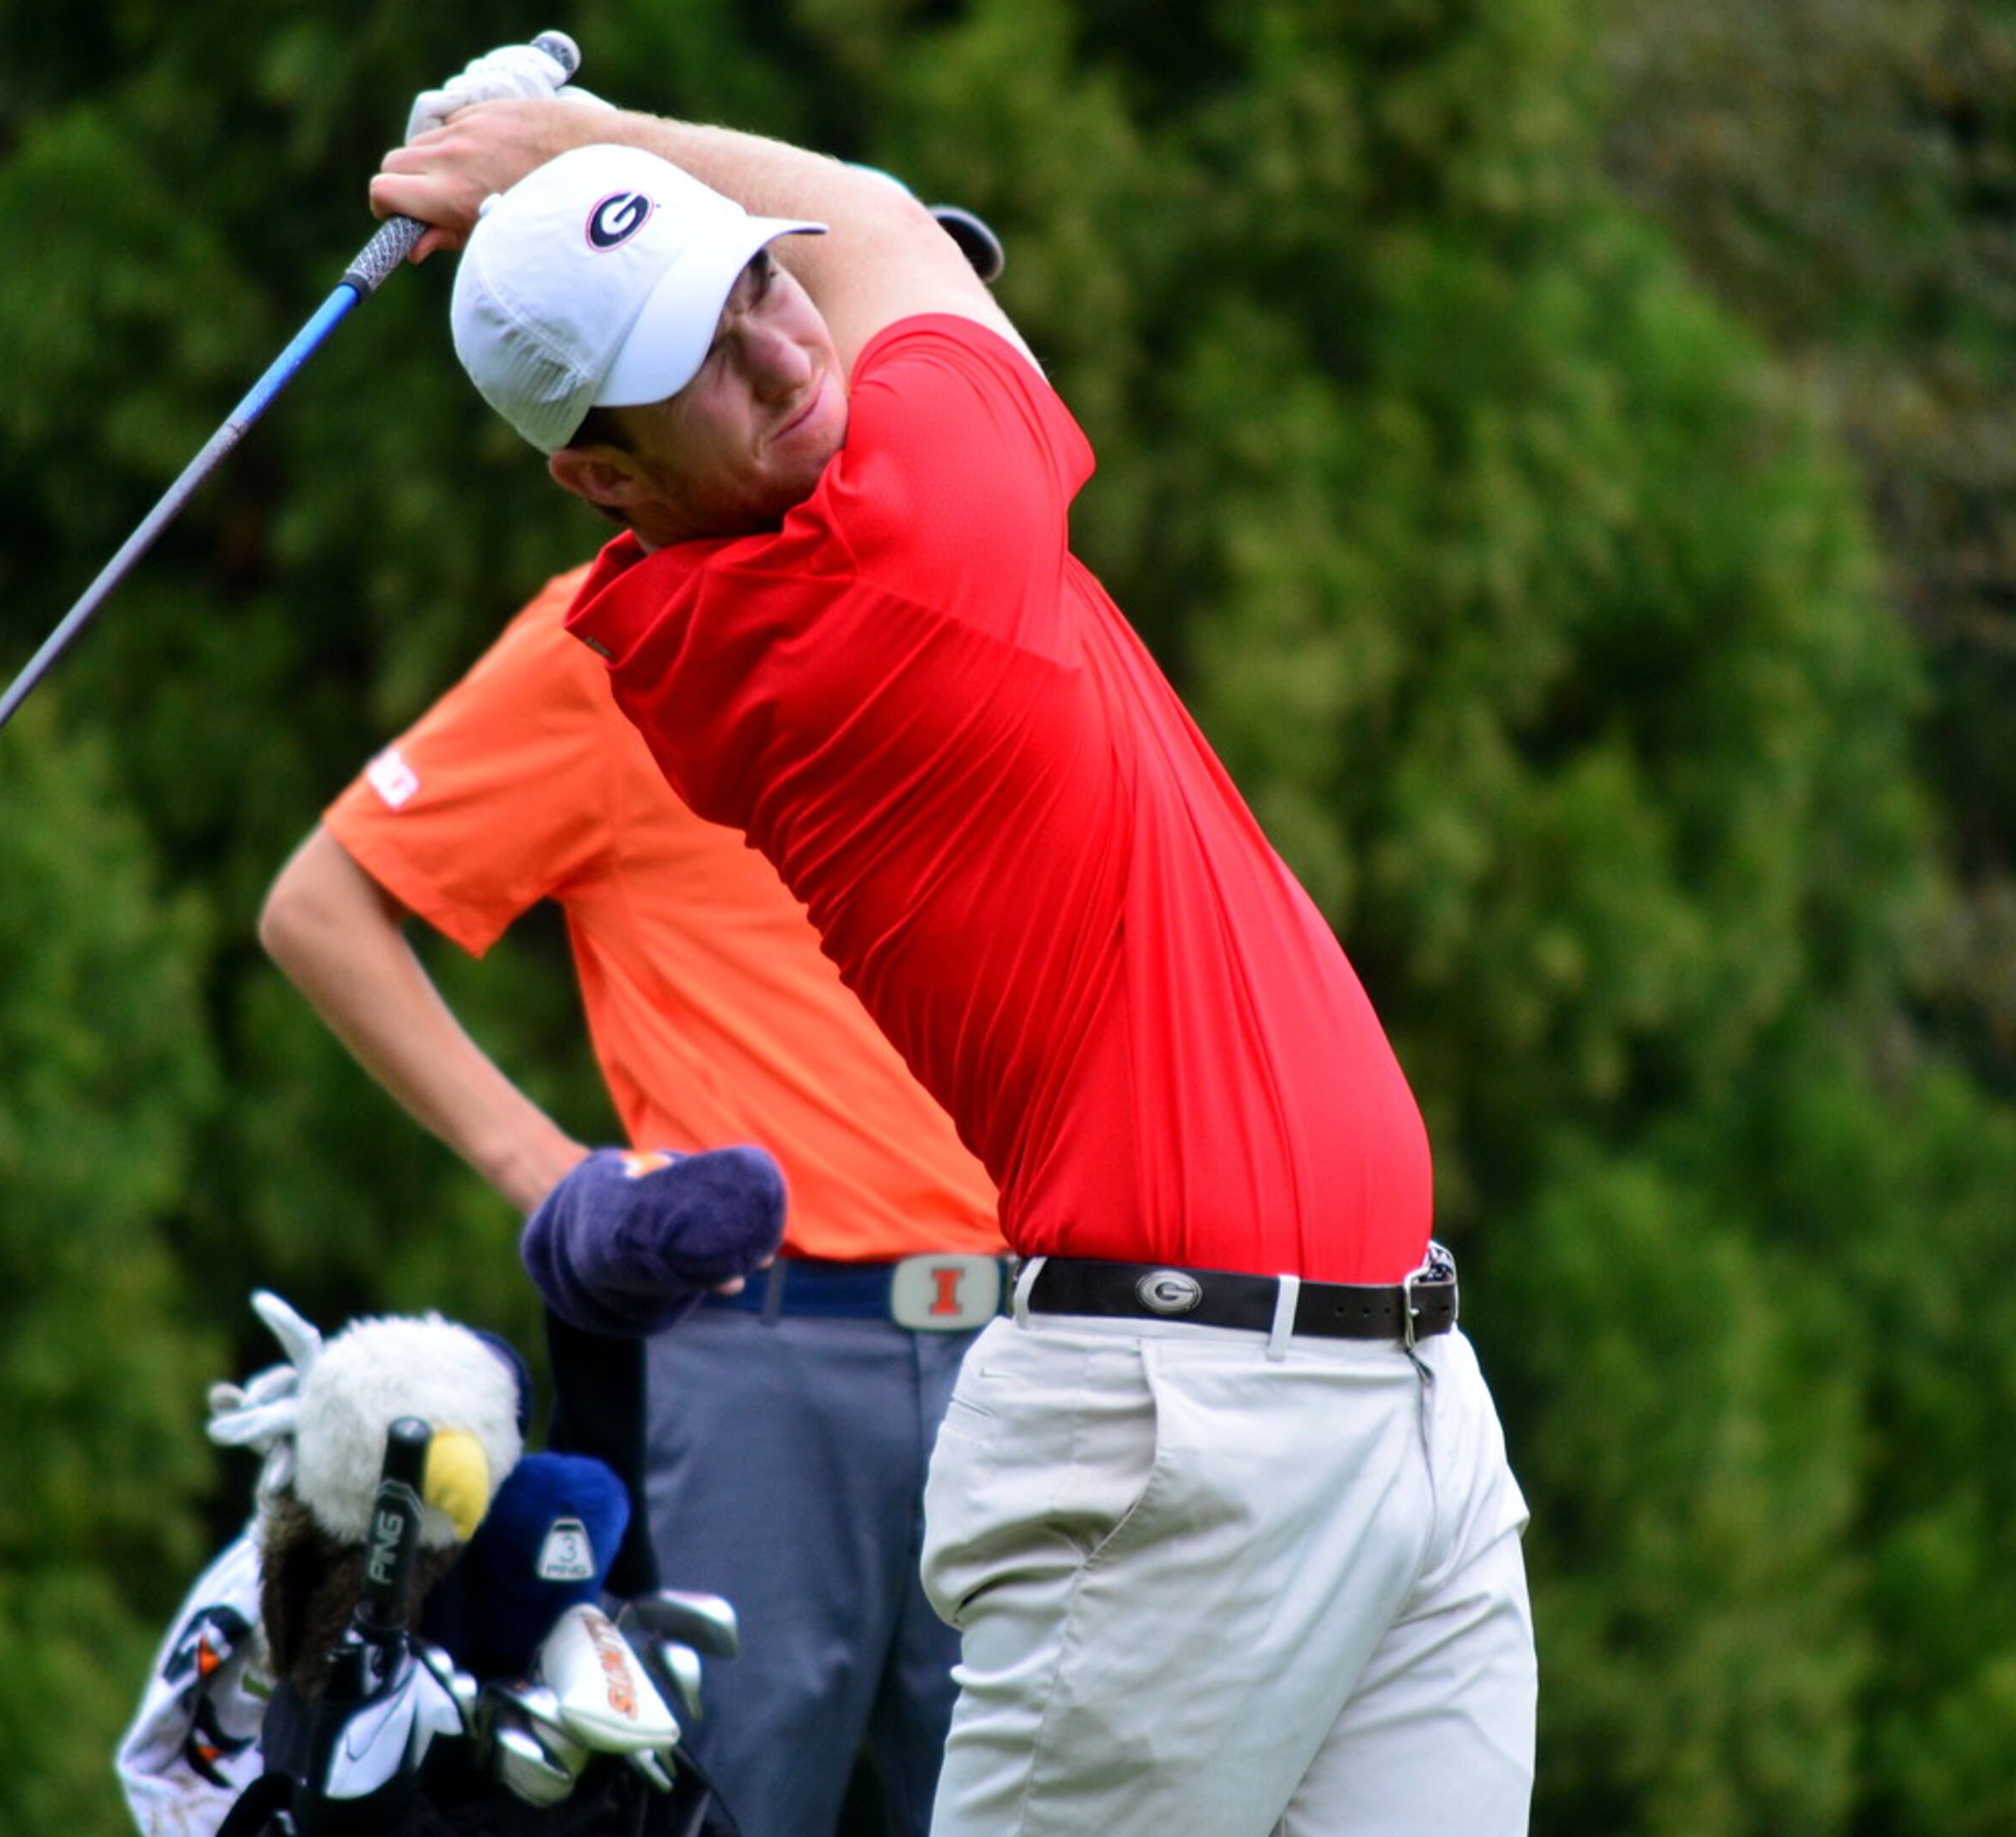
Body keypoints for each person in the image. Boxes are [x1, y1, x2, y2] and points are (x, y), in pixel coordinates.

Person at [368, 81, 1538, 1837]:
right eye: (698, 354)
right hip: (1178, 1447)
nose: (776, 350)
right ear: (601, 478)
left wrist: (603, 177)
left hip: (1400, 1406)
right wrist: (578, 132)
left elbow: (854, 246)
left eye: (760, 283)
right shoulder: (893, 566)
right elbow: (887, 218)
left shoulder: (795, 531)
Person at [262, 567, 1009, 1834]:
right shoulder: (617, 633)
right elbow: (319, 910)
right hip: (757, 1360)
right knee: (703, 1812)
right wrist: (546, 1172)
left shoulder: (971, 597)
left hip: (1028, 1342)